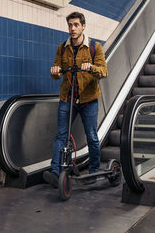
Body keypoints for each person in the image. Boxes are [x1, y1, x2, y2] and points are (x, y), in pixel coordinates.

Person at [43, 12, 108, 188]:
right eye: (70, 25)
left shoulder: (95, 47)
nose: (72, 28)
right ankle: (55, 172)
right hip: (68, 98)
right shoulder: (62, 48)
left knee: (92, 137)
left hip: (89, 100)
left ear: (83, 26)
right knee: (61, 135)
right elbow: (57, 74)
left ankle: (94, 171)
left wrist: (92, 67)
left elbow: (103, 71)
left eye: (76, 25)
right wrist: (54, 72)